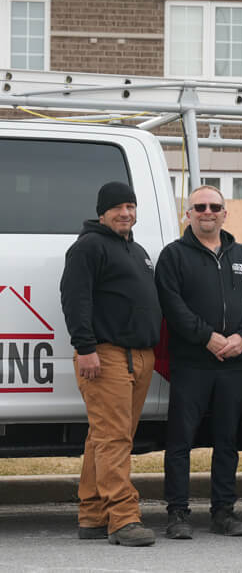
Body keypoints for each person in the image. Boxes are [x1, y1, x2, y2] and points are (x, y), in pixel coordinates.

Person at [155, 185, 242, 539]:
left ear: (224, 212)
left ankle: (224, 512)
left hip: (233, 363)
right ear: (187, 214)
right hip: (192, 363)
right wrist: (207, 337)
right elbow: (172, 305)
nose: (207, 211)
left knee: (227, 439)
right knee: (180, 440)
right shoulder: (173, 256)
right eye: (199, 206)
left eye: (214, 206)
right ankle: (177, 514)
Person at [60, 181, 162, 547]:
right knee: (114, 439)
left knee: (104, 439)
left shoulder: (135, 250)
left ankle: (92, 514)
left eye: (130, 207)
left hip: (138, 356)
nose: (125, 213)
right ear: (102, 212)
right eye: (117, 207)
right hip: (106, 355)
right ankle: (122, 518)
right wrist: (85, 347)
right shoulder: (88, 247)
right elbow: (74, 298)